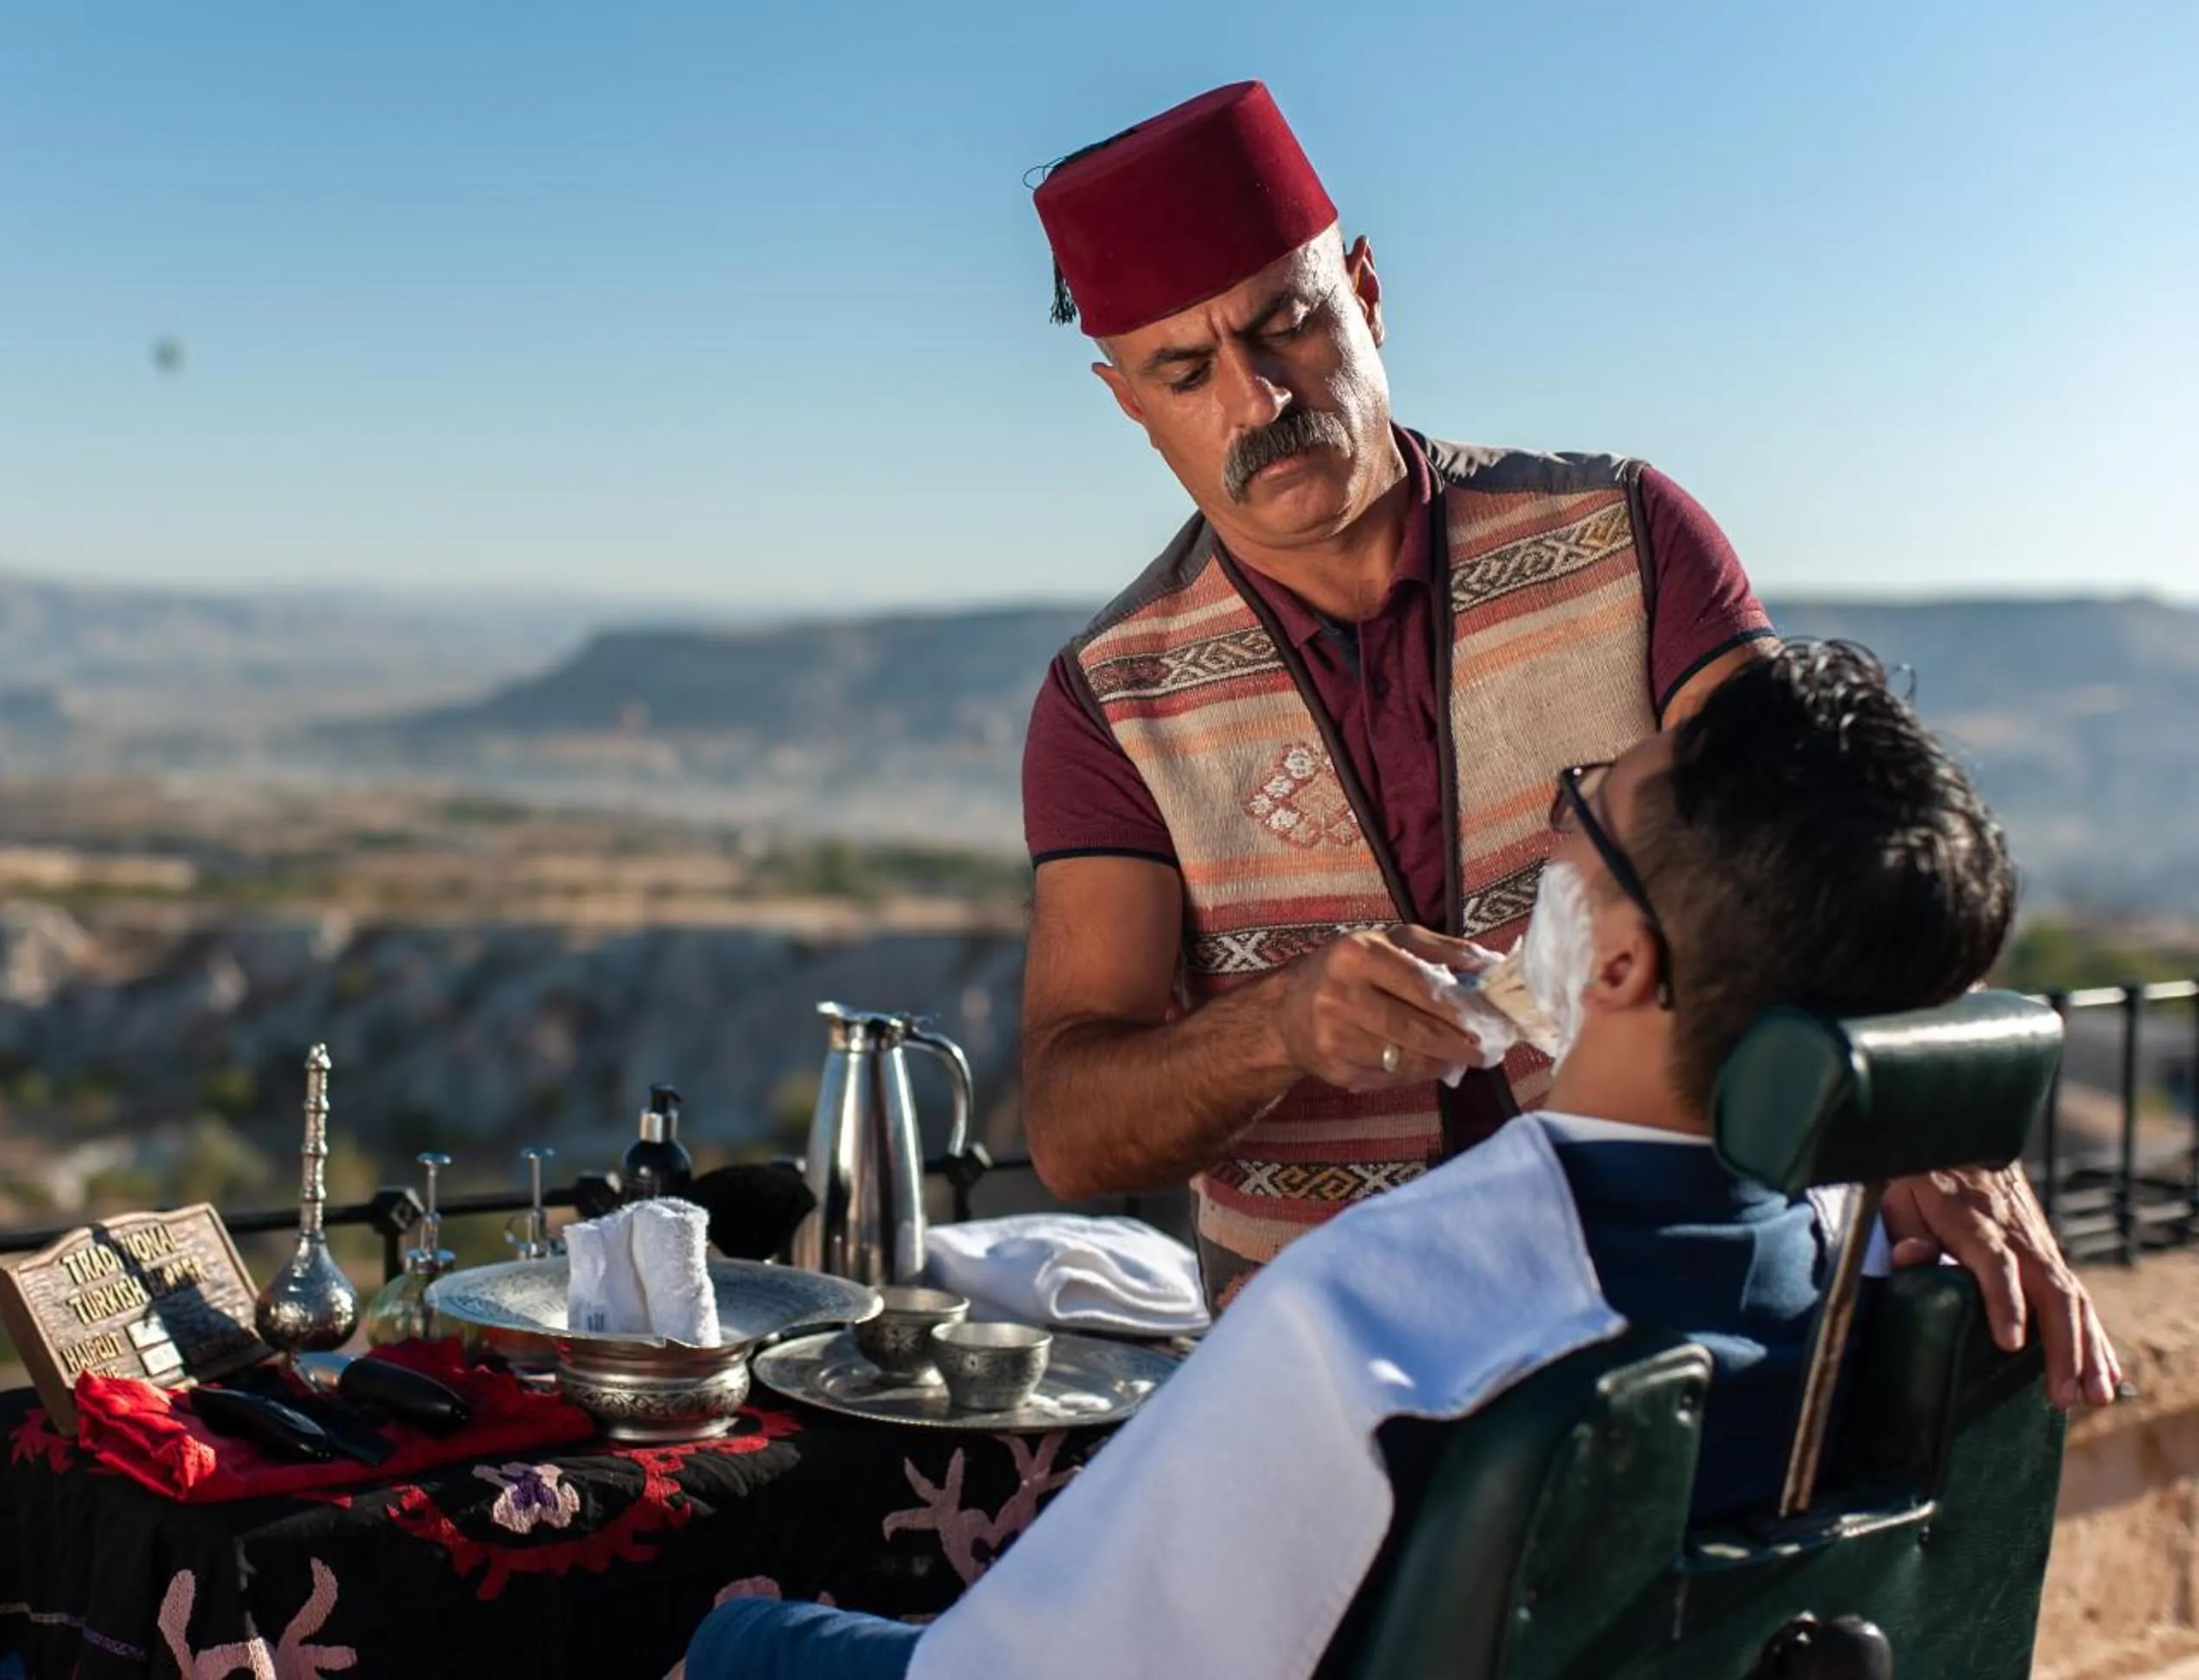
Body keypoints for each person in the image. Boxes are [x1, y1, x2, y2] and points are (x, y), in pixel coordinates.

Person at [1010, 78, 2113, 1406]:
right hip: (1334, 1388)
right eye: (1184, 372)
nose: (1255, 400)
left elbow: (1826, 845)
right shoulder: (1110, 702)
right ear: (1127, 401)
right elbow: (1072, 1131)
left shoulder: (1631, 539)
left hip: (1696, 1328)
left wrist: (1942, 1131)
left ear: (1362, 288)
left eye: (1287, 324)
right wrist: (1276, 1031)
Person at [688, 642, 2053, 1680]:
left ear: (1623, 959)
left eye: (1587, 811)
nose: (1553, 836)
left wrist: (761, 1645)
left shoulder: (1384, 1313)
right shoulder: (1888, 1270)